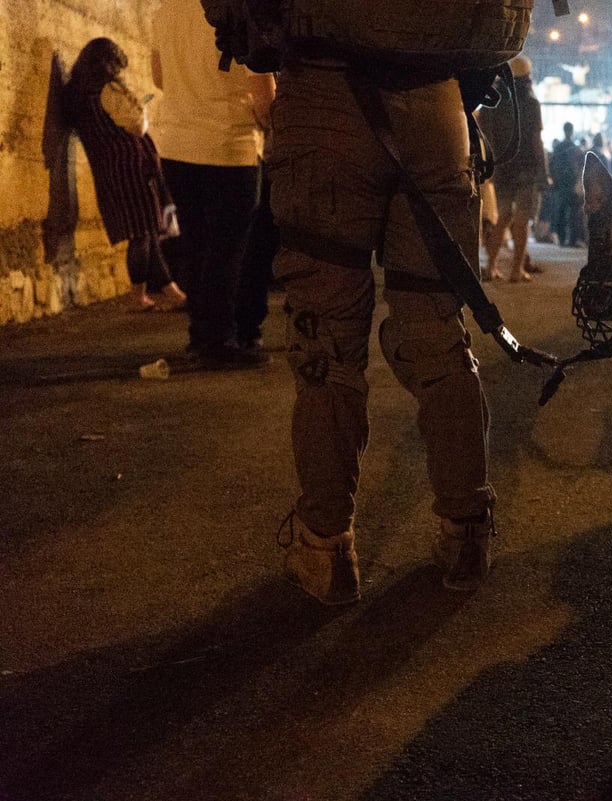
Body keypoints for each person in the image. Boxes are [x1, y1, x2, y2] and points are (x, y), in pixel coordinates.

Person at [202, 0, 525, 600]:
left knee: (325, 341)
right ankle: (466, 533)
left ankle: (326, 550)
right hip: (439, 105)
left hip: (324, 96)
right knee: (436, 327)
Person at [153, 0, 274, 368]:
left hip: (175, 145)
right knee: (228, 250)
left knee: (197, 245)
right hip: (227, 145)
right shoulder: (240, 10)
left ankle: (201, 335)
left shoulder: (164, 11)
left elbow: (159, 77)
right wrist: (262, 120)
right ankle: (219, 342)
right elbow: (263, 92)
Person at [64, 38, 186, 313]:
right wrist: (139, 105)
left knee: (146, 230)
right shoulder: (110, 90)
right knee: (142, 234)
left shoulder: (78, 97)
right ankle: (137, 295)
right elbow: (137, 126)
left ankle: (173, 292)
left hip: (109, 170)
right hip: (132, 166)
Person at [478, 56, 546, 282]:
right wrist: (543, 172)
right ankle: (517, 270)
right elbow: (537, 140)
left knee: (501, 218)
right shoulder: (531, 103)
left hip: (502, 168)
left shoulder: (493, 103)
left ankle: (491, 267)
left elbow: (485, 136)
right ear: (528, 78)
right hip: (526, 168)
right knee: (521, 220)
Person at [549, 122, 585, 246]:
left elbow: (552, 164)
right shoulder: (576, 149)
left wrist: (554, 179)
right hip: (572, 183)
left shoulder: (558, 147)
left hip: (561, 184)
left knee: (561, 210)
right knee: (574, 212)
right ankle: (573, 239)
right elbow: (581, 167)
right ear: (572, 131)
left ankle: (562, 237)